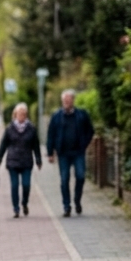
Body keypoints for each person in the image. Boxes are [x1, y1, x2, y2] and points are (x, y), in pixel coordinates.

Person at [47, 88, 95, 217]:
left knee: (80, 176)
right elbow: (51, 134)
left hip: (78, 152)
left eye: (68, 100)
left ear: (73, 100)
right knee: (64, 180)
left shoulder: (81, 115)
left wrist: (84, 144)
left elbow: (90, 131)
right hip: (63, 153)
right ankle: (66, 206)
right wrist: (50, 152)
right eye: (64, 100)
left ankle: (77, 200)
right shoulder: (56, 117)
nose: (66, 102)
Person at [0, 102, 41, 218]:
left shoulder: (31, 128)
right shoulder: (10, 128)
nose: (21, 116)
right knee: (14, 185)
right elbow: (3, 144)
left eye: (24, 114)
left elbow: (36, 145)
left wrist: (38, 159)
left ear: (26, 115)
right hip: (13, 161)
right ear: (15, 115)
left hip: (26, 161)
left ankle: (24, 203)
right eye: (19, 114)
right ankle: (16, 208)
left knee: (26, 184)